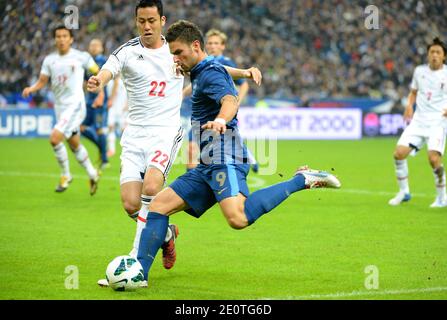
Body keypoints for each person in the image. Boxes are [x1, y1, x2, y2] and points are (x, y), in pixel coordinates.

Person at [135, 20, 341, 282]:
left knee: (238, 217)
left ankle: (302, 180)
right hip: (208, 162)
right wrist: (243, 72)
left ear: (195, 46)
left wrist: (221, 119)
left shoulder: (208, 73)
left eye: (178, 52)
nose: (175, 59)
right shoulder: (203, 68)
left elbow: (229, 100)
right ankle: (139, 273)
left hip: (225, 155)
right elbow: (221, 68)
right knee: (159, 206)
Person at [88, 0, 260, 287]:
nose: (146, 26)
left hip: (166, 131)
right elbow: (109, 68)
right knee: (131, 203)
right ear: (136, 21)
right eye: (141, 20)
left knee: (152, 189)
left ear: (162, 20)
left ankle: (135, 262)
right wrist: (100, 80)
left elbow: (210, 69)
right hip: (135, 134)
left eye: (151, 20)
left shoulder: (176, 52)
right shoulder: (128, 52)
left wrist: (243, 72)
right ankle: (165, 234)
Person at [22, 25, 100, 195]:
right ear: (55, 39)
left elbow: (97, 72)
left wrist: (99, 91)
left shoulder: (82, 57)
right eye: (58, 36)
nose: (61, 39)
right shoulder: (50, 60)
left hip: (75, 105)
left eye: (65, 36)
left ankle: (66, 175)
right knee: (73, 144)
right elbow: (43, 81)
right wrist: (32, 89)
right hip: (60, 106)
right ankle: (93, 174)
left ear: (71, 39)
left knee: (55, 138)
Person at [183, 28, 259, 173]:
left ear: (222, 46)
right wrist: (182, 94)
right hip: (201, 114)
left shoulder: (225, 62)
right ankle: (192, 183)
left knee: (225, 143)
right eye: (210, 43)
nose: (212, 46)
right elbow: (196, 84)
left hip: (218, 112)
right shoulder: (201, 63)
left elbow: (244, 84)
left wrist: (236, 102)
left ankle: (246, 160)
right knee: (192, 148)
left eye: (216, 43)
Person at [389, 37, 447, 208]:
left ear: (444, 56)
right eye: (432, 52)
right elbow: (413, 92)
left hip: (438, 122)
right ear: (428, 55)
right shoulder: (419, 71)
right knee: (398, 154)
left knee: (433, 159)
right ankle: (404, 192)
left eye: (438, 52)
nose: (434, 55)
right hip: (418, 121)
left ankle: (441, 197)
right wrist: (409, 105)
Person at [81, 39, 110, 170]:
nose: (93, 47)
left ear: (101, 48)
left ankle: (104, 160)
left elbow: (103, 80)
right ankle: (102, 147)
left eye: (96, 45)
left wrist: (101, 96)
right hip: (88, 101)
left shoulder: (103, 61)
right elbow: (84, 82)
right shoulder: (88, 63)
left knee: (99, 129)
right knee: (81, 127)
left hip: (99, 101)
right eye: (91, 45)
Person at [106, 75, 128, 158]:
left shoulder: (123, 81)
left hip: (120, 108)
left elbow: (128, 94)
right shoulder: (111, 81)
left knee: (124, 130)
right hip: (114, 108)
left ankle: (126, 150)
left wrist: (127, 105)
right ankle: (111, 150)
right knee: (111, 127)